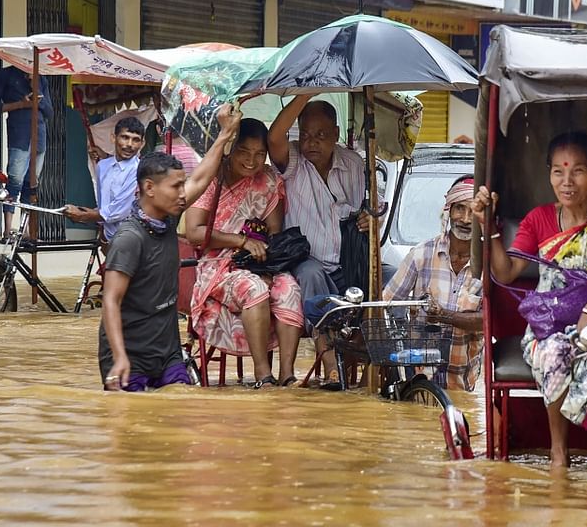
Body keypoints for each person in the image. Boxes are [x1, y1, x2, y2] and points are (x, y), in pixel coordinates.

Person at [472, 132, 587, 469]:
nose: (567, 181)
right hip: (549, 326)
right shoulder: (539, 218)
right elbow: (508, 271)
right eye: (558, 171)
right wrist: (489, 227)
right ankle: (559, 452)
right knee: (555, 351)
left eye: (578, 171)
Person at [99, 106, 238, 391]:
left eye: (182, 185)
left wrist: (225, 133)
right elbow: (110, 301)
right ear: (149, 188)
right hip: (130, 357)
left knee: (182, 413)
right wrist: (120, 358)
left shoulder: (169, 216)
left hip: (167, 353)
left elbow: (201, 178)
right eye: (176, 187)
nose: (183, 193)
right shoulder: (128, 239)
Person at [187, 118, 305, 389]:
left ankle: (287, 374)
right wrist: (239, 241)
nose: (252, 161)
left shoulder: (269, 180)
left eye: (259, 154)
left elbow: (273, 234)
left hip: (258, 260)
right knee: (253, 289)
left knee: (288, 287)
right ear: (230, 149)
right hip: (217, 266)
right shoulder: (211, 179)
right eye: (244, 152)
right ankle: (264, 375)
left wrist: (264, 268)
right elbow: (194, 232)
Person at [267, 95, 371, 389]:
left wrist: (368, 219)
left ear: (336, 135)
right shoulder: (293, 160)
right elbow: (274, 136)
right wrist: (306, 94)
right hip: (308, 261)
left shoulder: (353, 163)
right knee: (311, 275)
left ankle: (372, 368)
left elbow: (369, 209)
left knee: (388, 279)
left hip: (350, 260)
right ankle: (331, 367)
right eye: (306, 134)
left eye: (321, 135)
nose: (311, 142)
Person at [382, 176, 483, 391]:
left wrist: (444, 316)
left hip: (463, 382)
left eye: (473, 211)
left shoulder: (490, 264)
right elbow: (385, 305)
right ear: (448, 211)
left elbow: (490, 321)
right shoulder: (421, 255)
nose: (465, 219)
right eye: (459, 209)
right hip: (418, 380)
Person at [0, 65, 53, 240]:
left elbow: (49, 111)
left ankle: (27, 232)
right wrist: (22, 104)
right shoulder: (4, 75)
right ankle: (8, 231)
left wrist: (35, 88)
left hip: (39, 136)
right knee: (14, 182)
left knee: (31, 185)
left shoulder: (41, 78)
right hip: (19, 135)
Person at [63, 116, 146, 239]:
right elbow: (103, 205)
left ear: (142, 143)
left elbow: (118, 211)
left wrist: (84, 215)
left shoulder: (138, 170)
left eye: (135, 140)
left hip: (130, 238)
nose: (129, 144)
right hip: (108, 236)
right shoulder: (103, 166)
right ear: (113, 138)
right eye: (125, 137)